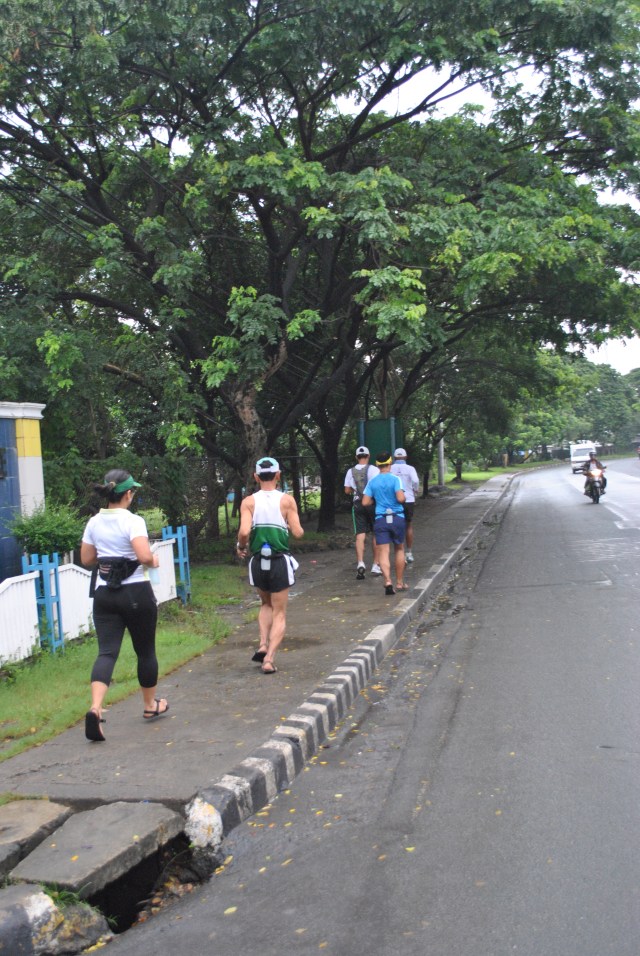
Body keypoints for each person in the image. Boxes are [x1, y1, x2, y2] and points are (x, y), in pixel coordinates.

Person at [80, 470, 167, 742]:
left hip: (104, 595)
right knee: (145, 651)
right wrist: (153, 560)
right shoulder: (133, 521)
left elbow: (86, 558)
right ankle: (150, 706)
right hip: (135, 593)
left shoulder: (94, 522)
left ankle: (95, 708)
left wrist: (109, 557)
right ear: (128, 494)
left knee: (106, 653)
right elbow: (142, 555)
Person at [236, 457, 304, 674]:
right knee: (280, 613)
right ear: (278, 475)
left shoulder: (248, 502)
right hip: (278, 561)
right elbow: (298, 532)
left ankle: (263, 644)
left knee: (265, 604)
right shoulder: (287, 501)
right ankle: (269, 659)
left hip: (257, 562)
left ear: (256, 477)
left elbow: (245, 532)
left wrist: (241, 546)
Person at [362, 450, 407, 595]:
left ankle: (387, 580)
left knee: (383, 551)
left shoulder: (372, 481)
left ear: (377, 464)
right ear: (390, 463)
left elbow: (365, 502)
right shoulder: (395, 479)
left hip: (381, 519)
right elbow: (400, 499)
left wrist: (378, 500)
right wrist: (402, 497)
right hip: (397, 517)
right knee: (399, 549)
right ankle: (399, 583)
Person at [344, 446, 382, 579]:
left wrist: (356, 490)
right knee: (375, 533)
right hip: (372, 503)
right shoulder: (374, 470)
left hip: (357, 504)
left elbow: (347, 490)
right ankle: (376, 565)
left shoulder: (350, 471)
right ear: (368, 455)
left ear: (356, 457)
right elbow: (378, 486)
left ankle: (360, 563)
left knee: (360, 534)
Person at [390, 447, 420, 562]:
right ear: (406, 457)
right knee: (408, 525)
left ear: (394, 458)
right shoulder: (410, 468)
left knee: (395, 525)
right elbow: (415, 481)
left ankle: (398, 552)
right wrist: (415, 490)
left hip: (394, 500)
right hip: (408, 500)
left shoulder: (390, 468)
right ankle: (409, 552)